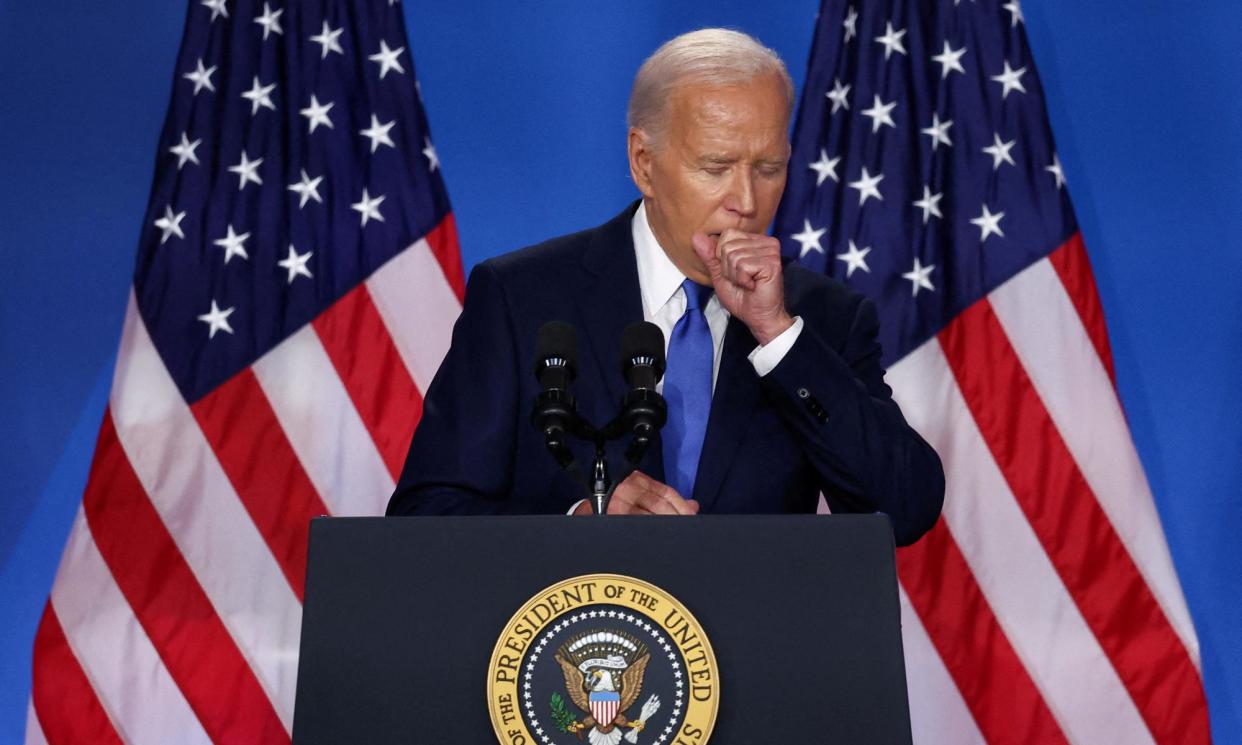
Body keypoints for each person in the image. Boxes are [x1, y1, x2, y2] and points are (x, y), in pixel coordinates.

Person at [386, 28, 944, 546]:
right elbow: (424, 515)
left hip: (750, 650)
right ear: (644, 162)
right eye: (715, 166)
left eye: (769, 168)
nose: (746, 202)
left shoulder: (822, 320)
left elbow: (903, 509)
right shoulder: (521, 298)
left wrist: (777, 336)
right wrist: (579, 523)